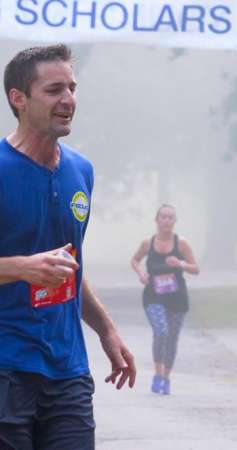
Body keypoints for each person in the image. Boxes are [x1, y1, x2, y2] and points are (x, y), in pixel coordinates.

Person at [0, 44, 136, 450]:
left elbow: (70, 266)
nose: (69, 100)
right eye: (54, 90)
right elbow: (35, 265)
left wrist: (107, 331)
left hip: (67, 370)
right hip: (7, 367)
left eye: (72, 88)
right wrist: (21, 267)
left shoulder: (81, 170)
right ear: (18, 99)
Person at [131, 204, 199, 395]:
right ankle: (158, 374)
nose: (167, 221)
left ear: (175, 221)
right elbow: (135, 260)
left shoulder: (181, 243)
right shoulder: (148, 243)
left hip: (177, 299)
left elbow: (196, 268)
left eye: (171, 218)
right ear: (157, 220)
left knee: (172, 338)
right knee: (161, 331)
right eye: (163, 217)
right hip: (154, 296)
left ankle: (166, 378)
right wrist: (141, 273)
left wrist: (181, 264)